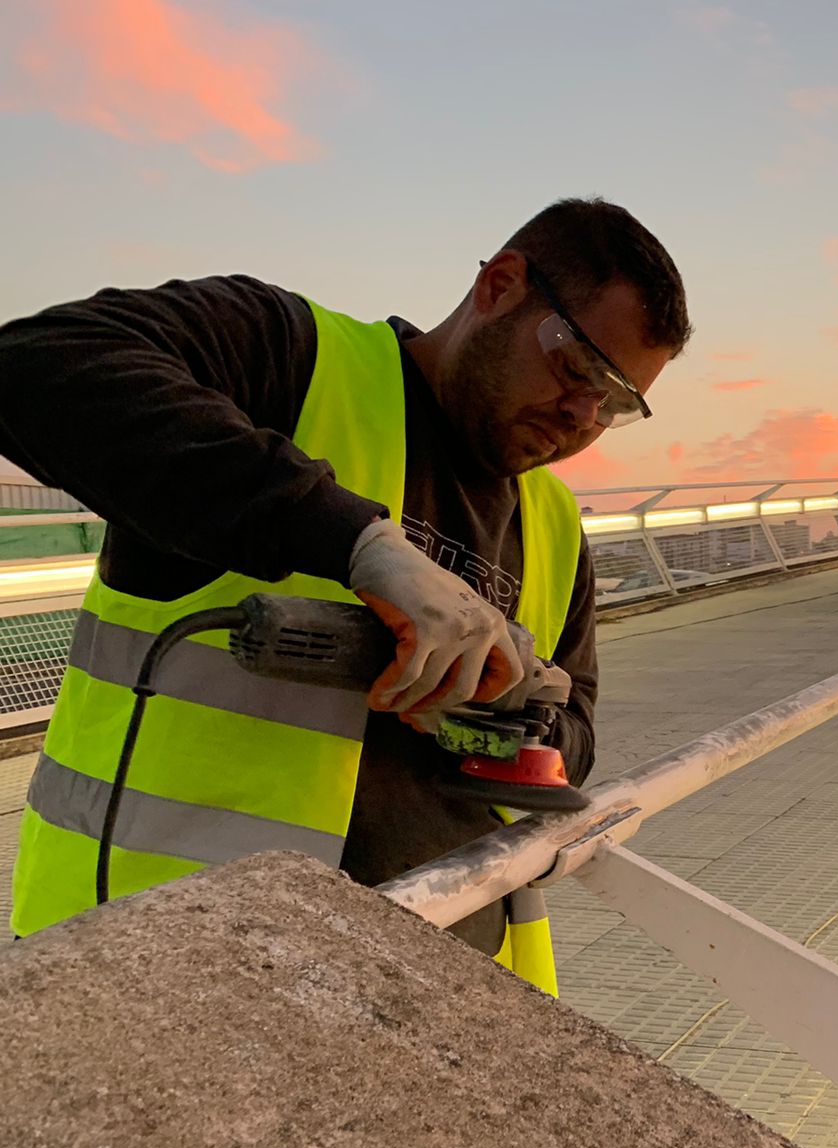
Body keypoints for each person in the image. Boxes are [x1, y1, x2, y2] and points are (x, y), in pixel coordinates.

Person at [0, 198, 691, 993]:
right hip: (171, 973)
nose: (581, 417)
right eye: (577, 368)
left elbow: (572, 736)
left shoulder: (556, 523)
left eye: (614, 405)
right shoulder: (293, 363)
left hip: (446, 989)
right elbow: (37, 365)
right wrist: (358, 544)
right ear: (501, 286)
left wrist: (495, 714)